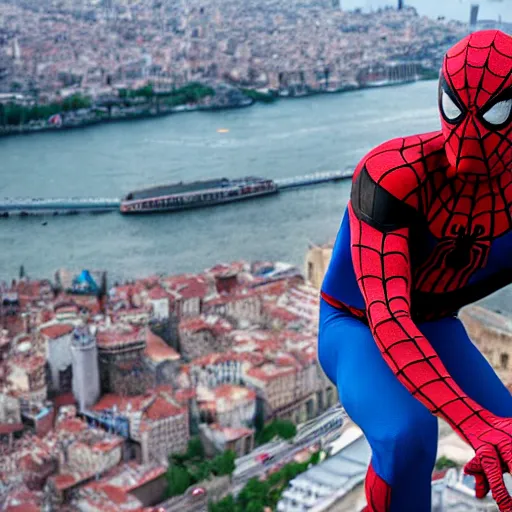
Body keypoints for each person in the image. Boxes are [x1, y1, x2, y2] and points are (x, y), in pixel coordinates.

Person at [318, 29, 512, 512]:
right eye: (454, 109)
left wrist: (488, 423)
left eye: (494, 115)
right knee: (407, 435)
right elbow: (387, 314)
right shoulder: (391, 174)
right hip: (354, 323)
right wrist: (473, 420)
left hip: (436, 324)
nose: (467, 137)